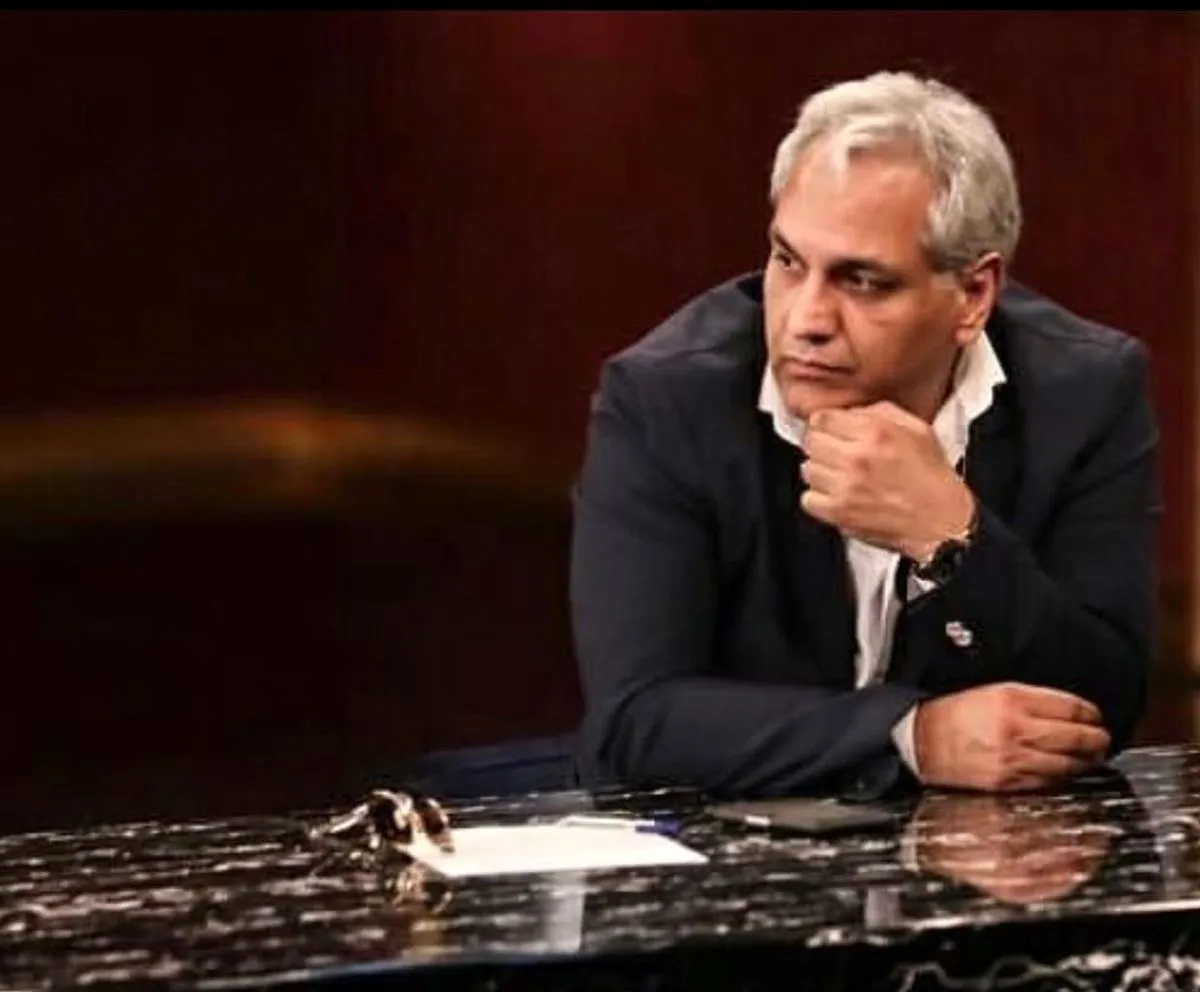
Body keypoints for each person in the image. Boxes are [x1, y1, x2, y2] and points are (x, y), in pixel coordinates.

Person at [569, 70, 1161, 801]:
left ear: (973, 295)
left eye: (863, 281)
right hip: (729, 851)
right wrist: (910, 736)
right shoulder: (667, 400)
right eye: (789, 262)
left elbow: (1105, 704)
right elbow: (633, 723)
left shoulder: (1084, 394)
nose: (805, 320)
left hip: (985, 856)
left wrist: (954, 540)